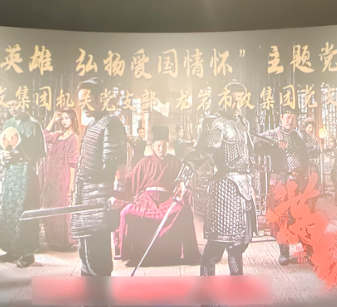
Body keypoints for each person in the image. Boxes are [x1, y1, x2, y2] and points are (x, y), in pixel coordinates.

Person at [188, 81, 263, 276]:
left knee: (238, 246)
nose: (236, 105)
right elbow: (201, 153)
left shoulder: (243, 123)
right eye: (232, 101)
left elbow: (249, 154)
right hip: (224, 189)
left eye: (240, 101)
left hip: (243, 189)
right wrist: (184, 176)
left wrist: (252, 185)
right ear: (223, 99)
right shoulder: (216, 124)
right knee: (217, 244)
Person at [118, 125, 200, 266]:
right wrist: (118, 184)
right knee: (127, 212)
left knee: (184, 211)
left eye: (164, 145)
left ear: (168, 146)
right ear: (153, 146)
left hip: (167, 199)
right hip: (146, 199)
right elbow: (131, 179)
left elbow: (183, 183)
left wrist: (182, 191)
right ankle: (132, 253)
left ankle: (183, 253)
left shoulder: (175, 161)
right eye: (158, 146)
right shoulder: (144, 162)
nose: (161, 149)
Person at [71, 77, 127, 276]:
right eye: (81, 101)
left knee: (97, 254)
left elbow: (119, 162)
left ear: (99, 99)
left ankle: (100, 294)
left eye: (88, 100)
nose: (84, 106)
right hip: (85, 195)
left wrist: (117, 194)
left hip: (100, 195)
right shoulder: (93, 124)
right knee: (85, 252)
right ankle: (89, 293)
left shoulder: (111, 123)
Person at [0, 90, 46, 268]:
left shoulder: (33, 125)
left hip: (26, 172)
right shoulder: (7, 123)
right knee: (9, 209)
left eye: (16, 104)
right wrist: (3, 155)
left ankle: (27, 253)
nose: (13, 109)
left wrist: (25, 153)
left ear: (24, 103)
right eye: (9, 106)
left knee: (25, 209)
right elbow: (0, 146)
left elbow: (40, 152)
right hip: (11, 172)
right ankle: (11, 250)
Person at [260, 106, 315, 265]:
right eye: (287, 117)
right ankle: (284, 253)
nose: (290, 121)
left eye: (294, 118)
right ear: (281, 118)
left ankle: (309, 251)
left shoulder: (300, 136)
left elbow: (312, 151)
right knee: (281, 218)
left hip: (298, 182)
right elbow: (255, 145)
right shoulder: (272, 134)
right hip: (281, 183)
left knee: (302, 215)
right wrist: (274, 144)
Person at [42, 107, 80, 251]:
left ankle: (64, 241)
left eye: (66, 118)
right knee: (50, 206)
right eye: (62, 118)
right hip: (51, 176)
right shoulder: (58, 135)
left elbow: (73, 163)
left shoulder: (73, 138)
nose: (64, 121)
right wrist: (53, 120)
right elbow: (43, 136)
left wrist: (71, 184)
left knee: (61, 208)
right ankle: (52, 240)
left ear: (73, 120)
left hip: (63, 177)